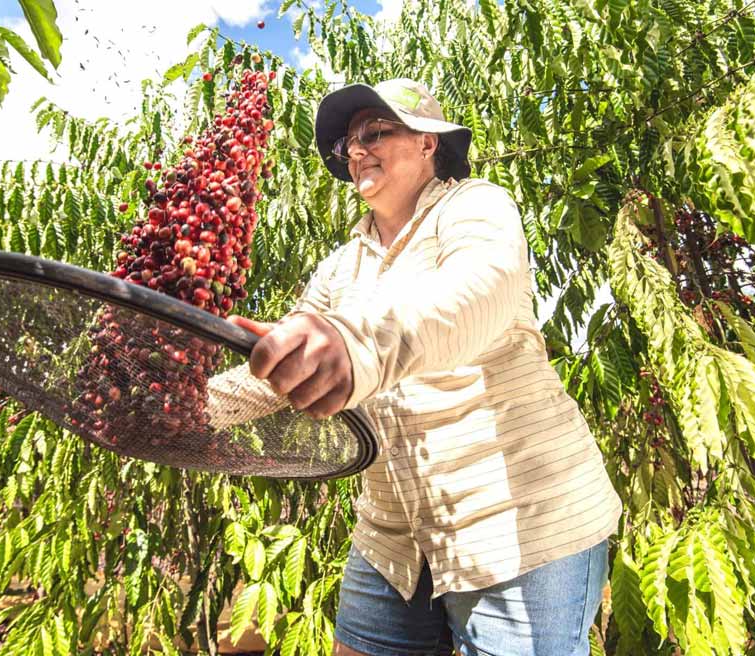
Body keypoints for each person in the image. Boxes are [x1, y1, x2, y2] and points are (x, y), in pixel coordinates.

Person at [227, 78, 622, 656]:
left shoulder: (475, 207)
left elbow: (475, 292)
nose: (357, 149)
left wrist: (352, 343)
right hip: (394, 532)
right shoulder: (342, 267)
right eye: (348, 144)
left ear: (429, 143)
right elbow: (289, 362)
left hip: (519, 525)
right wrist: (190, 407)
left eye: (375, 132)